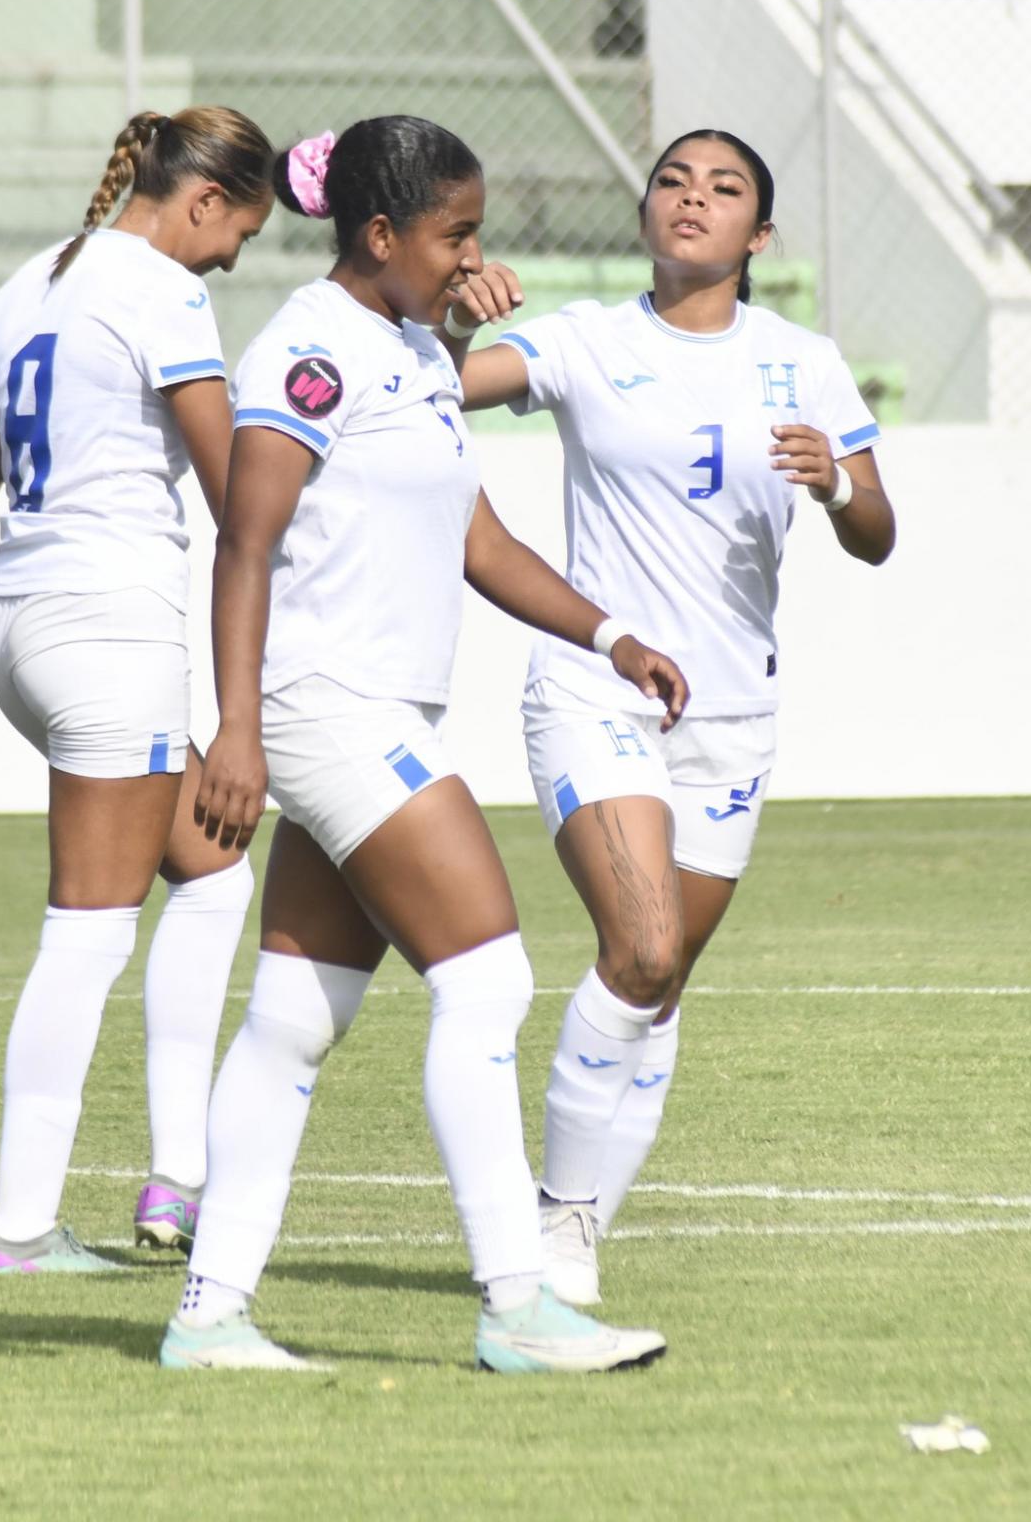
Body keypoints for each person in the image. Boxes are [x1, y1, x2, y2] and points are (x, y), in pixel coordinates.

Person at [158, 116, 685, 1374]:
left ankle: (208, 1316)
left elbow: (477, 539)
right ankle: (517, 1302)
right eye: (453, 234)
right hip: (325, 705)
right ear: (379, 234)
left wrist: (609, 633)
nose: (472, 255)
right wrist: (235, 727)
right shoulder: (304, 353)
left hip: (370, 708)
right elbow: (243, 536)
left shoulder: (409, 349)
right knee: (488, 979)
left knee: (290, 1018)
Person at [456, 127, 897, 1306]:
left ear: (757, 239)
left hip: (732, 715)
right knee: (639, 944)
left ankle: (582, 1221)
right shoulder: (583, 339)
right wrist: (452, 314)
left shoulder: (801, 360)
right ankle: (552, 1219)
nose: (689, 199)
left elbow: (875, 534)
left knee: (657, 984)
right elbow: (439, 388)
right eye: (670, 181)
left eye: (721, 189)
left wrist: (839, 483)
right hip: (594, 686)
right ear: (645, 211)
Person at [0, 108, 274, 1271]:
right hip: (110, 630)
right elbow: (231, 492)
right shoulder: (163, 294)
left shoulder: (24, 288)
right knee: (88, 932)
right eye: (236, 234)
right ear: (201, 201)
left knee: (208, 874)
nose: (231, 259)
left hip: (19, 626)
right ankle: (19, 1227)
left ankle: (177, 1180)